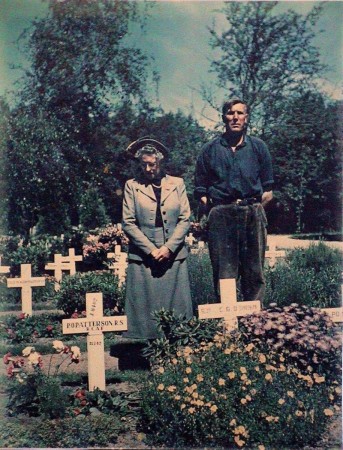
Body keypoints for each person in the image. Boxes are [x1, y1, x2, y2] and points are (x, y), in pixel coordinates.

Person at [194, 99, 274, 302]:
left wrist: (252, 209)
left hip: (252, 212)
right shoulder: (210, 149)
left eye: (240, 113)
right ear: (224, 118)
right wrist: (218, 210)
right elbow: (201, 191)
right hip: (222, 214)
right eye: (230, 113)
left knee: (254, 272)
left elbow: (268, 192)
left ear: (246, 118)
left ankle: (253, 325)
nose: (235, 117)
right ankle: (228, 326)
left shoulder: (258, 147)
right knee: (224, 273)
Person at [122, 137, 193, 339]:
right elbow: (128, 222)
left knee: (176, 305)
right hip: (144, 253)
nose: (148, 169)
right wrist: (151, 250)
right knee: (147, 304)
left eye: (152, 164)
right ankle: (147, 349)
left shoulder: (177, 183)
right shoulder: (131, 186)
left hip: (173, 253)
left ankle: (176, 345)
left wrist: (169, 248)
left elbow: (185, 218)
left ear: (160, 162)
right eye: (143, 164)